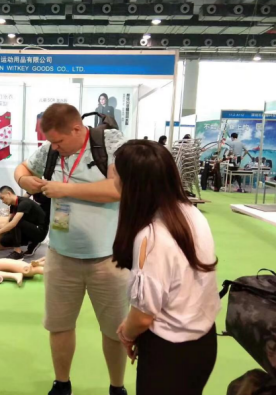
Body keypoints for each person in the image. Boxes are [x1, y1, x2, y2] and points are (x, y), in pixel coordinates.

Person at [14, 103, 130, 396]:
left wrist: (65, 190)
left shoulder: (111, 142)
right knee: (59, 325)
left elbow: (117, 189)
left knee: (115, 330)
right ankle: (61, 383)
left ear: (77, 129)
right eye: (51, 141)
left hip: (109, 258)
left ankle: (117, 387)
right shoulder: (52, 150)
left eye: (59, 141)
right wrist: (24, 180)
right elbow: (22, 168)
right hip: (61, 256)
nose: (54, 147)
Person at [112, 140, 220, 395]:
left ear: (132, 184)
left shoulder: (151, 236)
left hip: (169, 353)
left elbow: (143, 316)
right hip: (204, 342)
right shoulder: (191, 213)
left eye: (116, 174)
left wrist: (126, 333)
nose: (112, 179)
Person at [0, 186, 48, 259]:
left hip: (40, 231)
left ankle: (18, 252)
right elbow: (8, 223)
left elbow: (13, 223)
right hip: (29, 229)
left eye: (2, 198)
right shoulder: (13, 206)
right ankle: (32, 242)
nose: (2, 201)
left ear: (9, 193)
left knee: (15, 222)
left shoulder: (24, 203)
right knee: (4, 241)